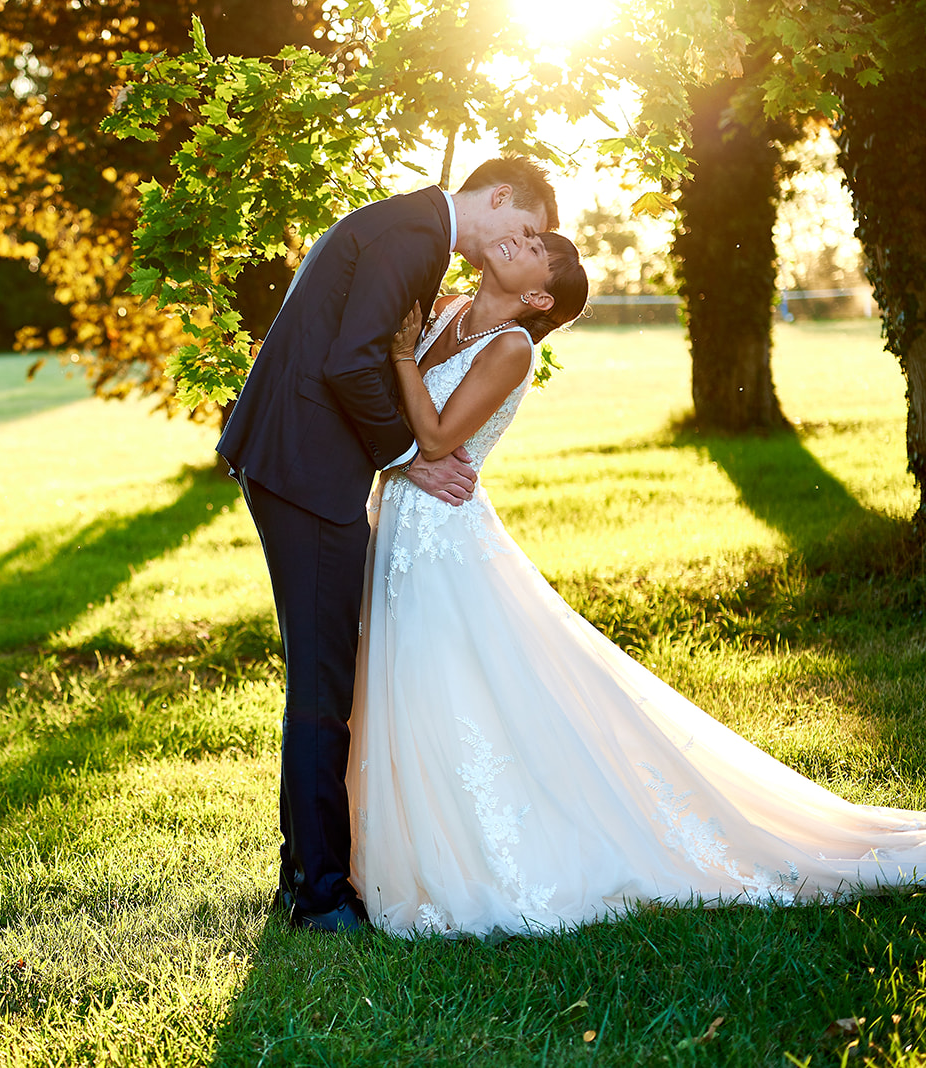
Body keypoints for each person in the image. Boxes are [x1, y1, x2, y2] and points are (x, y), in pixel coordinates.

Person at [349, 231, 926, 938]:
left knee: (448, 686)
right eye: (527, 233)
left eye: (534, 247)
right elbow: (381, 403)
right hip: (399, 522)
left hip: (444, 534)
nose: (518, 237)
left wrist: (404, 358)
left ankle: (482, 853)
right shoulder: (442, 308)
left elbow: (437, 440)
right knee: (404, 685)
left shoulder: (511, 348)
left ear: (538, 295)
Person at [216, 158, 560, 932]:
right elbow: (348, 362)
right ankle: (319, 896)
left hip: (301, 463)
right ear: (499, 198)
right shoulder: (414, 237)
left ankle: (302, 873)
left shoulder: (412, 231)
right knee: (321, 682)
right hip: (306, 468)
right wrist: (411, 456)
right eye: (528, 227)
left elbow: (360, 352)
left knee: (323, 677)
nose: (526, 241)